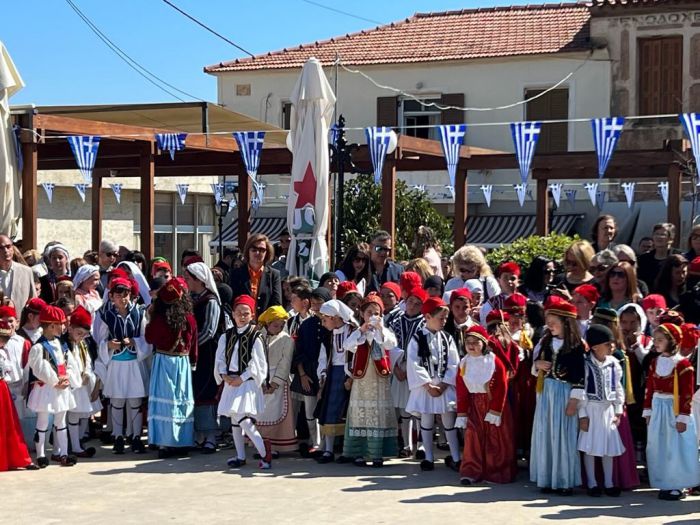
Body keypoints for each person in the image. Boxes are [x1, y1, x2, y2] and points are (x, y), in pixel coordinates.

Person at [530, 297, 586, 495]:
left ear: (566, 322)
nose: (550, 326)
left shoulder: (577, 346)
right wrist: (537, 366)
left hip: (564, 392)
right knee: (546, 433)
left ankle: (564, 481)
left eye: (553, 322)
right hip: (547, 392)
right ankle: (546, 478)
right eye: (548, 322)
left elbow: (581, 375)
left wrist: (574, 399)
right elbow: (535, 364)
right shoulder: (546, 341)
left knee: (563, 435)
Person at [643, 323, 700, 500]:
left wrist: (683, 416)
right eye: (655, 339)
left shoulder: (682, 365)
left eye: (660, 340)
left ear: (672, 341)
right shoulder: (655, 362)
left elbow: (686, 393)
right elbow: (650, 388)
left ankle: (677, 484)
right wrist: (648, 411)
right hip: (658, 408)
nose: (656, 343)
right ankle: (663, 482)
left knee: (675, 448)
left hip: (673, 410)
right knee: (659, 446)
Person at [94, 277, 150, 455]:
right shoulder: (103, 313)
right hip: (116, 362)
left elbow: (146, 337)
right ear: (111, 295)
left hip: (134, 362)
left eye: (125, 294)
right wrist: (108, 345)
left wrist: (134, 341)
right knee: (117, 400)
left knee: (135, 400)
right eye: (118, 294)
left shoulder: (139, 312)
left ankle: (135, 437)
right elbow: (98, 337)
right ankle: (118, 437)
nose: (122, 298)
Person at [215, 295, 271, 470]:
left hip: (246, 383)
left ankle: (265, 452)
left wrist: (242, 377)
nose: (242, 316)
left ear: (252, 314)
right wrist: (224, 375)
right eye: (239, 312)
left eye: (246, 313)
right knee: (235, 419)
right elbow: (220, 357)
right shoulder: (227, 335)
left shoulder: (256, 336)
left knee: (244, 419)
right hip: (231, 381)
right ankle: (240, 456)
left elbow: (258, 362)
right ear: (232, 313)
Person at [342, 293, 399, 467]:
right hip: (362, 379)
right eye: (369, 313)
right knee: (361, 414)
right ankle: (358, 453)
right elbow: (347, 346)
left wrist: (380, 330)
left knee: (378, 414)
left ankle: (377, 454)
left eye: (377, 313)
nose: (373, 316)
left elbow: (391, 345)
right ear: (362, 314)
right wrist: (362, 330)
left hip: (378, 378)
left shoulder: (385, 331)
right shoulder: (357, 331)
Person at [455, 325, 516, 485]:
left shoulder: (493, 361)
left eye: (476, 342)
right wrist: (462, 412)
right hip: (474, 405)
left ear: (484, 343)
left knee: (495, 438)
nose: (471, 345)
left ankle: (496, 470)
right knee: (473, 437)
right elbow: (461, 389)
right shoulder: (464, 363)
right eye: (468, 342)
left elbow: (502, 386)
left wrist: (496, 410)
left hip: (492, 403)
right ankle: (472, 470)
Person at [405, 296, 461, 472]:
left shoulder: (447, 338)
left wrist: (444, 384)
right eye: (440, 318)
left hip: (444, 386)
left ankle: (456, 457)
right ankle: (428, 457)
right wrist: (428, 385)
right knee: (427, 419)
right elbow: (413, 363)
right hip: (426, 388)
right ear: (428, 317)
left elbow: (454, 362)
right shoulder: (417, 338)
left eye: (445, 318)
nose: (444, 321)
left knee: (448, 420)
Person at [145, 278, 197, 458]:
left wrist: (150, 317)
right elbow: (194, 342)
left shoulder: (159, 317)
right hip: (182, 363)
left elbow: (150, 337)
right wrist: (193, 361)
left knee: (164, 402)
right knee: (180, 401)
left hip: (163, 361)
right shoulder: (189, 317)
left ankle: (164, 443)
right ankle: (182, 442)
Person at [578, 324, 625, 497]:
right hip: (591, 409)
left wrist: (618, 409)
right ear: (596, 346)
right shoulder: (586, 363)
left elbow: (618, 387)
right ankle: (592, 483)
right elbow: (581, 389)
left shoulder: (614, 363)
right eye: (608, 344)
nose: (612, 347)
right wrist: (582, 415)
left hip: (608, 410)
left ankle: (609, 483)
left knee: (608, 448)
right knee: (590, 448)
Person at [27, 305, 77, 467]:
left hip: (61, 388)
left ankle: (63, 453)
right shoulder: (38, 347)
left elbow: (70, 363)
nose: (64, 327)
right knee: (43, 422)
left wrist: (67, 377)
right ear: (51, 325)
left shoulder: (62, 345)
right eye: (61, 324)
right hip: (46, 389)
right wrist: (56, 381)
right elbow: (40, 368)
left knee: (61, 421)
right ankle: (41, 454)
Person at [185, 261, 222, 454]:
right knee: (193, 392)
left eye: (189, 278)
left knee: (206, 392)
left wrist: (189, 345)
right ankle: (197, 435)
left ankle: (210, 436)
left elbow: (209, 330)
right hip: (192, 355)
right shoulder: (190, 299)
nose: (186, 281)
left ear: (199, 280)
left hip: (207, 355)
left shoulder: (211, 301)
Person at [290, 287, 331, 457]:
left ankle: (327, 444)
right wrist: (302, 375)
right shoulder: (306, 325)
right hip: (307, 372)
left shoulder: (333, 324)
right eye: (313, 304)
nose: (316, 307)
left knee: (326, 409)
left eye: (319, 303)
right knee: (309, 410)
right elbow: (298, 352)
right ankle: (316, 442)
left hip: (328, 372)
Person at [314, 300, 357, 463]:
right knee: (330, 411)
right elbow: (323, 357)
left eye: (325, 319)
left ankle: (350, 451)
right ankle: (328, 450)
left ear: (334, 317)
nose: (323, 323)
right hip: (333, 374)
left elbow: (357, 354)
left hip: (350, 375)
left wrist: (351, 376)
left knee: (349, 413)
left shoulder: (353, 331)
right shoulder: (328, 335)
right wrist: (323, 375)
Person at [389, 287, 426, 458]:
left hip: (416, 370)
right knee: (403, 410)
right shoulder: (395, 321)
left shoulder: (424, 324)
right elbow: (388, 346)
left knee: (418, 411)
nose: (413, 306)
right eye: (410, 301)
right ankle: (406, 445)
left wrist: (412, 369)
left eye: (418, 303)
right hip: (398, 369)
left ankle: (421, 445)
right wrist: (396, 368)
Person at [257, 305, 297, 454]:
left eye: (281, 325)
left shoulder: (287, 340)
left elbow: (285, 362)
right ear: (267, 323)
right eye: (275, 325)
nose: (279, 328)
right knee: (261, 413)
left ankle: (274, 446)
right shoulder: (258, 337)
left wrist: (275, 382)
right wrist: (260, 380)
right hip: (260, 379)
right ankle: (260, 444)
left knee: (276, 411)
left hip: (277, 381)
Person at [0, 319, 36, 471]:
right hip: (3, 387)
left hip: (3, 388)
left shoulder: (3, 351)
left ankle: (16, 457)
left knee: (9, 424)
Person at [64, 306, 100, 459]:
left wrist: (86, 374)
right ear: (70, 328)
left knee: (81, 414)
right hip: (70, 385)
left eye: (84, 335)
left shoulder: (82, 344)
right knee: (70, 416)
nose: (81, 337)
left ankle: (77, 443)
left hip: (82, 385)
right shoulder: (64, 345)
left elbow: (88, 362)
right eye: (79, 333)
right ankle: (71, 446)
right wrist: (77, 377)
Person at [229, 233, 282, 319]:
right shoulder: (236, 274)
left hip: (265, 326)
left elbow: (276, 304)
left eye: (262, 250)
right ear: (248, 251)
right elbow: (232, 302)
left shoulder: (274, 275)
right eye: (254, 249)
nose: (257, 253)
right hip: (242, 324)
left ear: (267, 252)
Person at [638, 223, 683, 290]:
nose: (659, 237)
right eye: (656, 234)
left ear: (671, 239)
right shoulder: (643, 259)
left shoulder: (678, 257)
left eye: (663, 234)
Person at [0, 234, 37, 311]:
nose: (5, 251)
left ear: (13, 249)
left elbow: (33, 301)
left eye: (8, 247)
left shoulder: (26, 272)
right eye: (1, 248)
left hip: (19, 321)